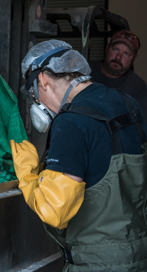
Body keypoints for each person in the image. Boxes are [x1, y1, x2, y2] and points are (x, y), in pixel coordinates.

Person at [10, 40, 147, 271]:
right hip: (139, 255)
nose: (36, 101)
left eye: (33, 93)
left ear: (43, 79)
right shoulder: (127, 103)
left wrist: (28, 175)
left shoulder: (71, 122)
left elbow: (55, 212)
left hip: (98, 263)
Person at [90, 29, 147, 116]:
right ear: (107, 48)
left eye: (126, 54)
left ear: (134, 58)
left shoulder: (137, 86)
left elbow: (138, 126)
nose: (118, 57)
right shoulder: (86, 71)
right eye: (115, 49)